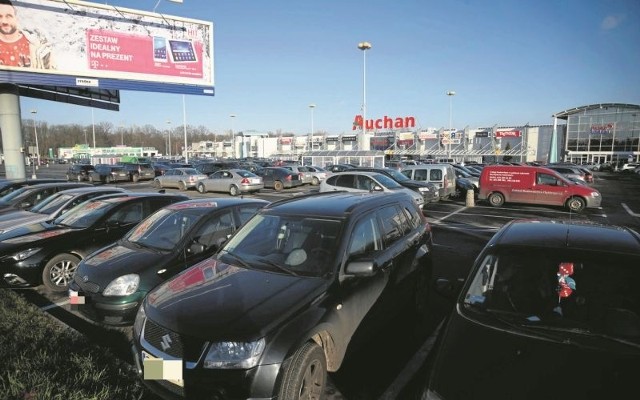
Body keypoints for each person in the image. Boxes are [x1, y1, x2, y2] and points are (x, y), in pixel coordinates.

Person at [0, 0, 55, 69]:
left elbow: (53, 73)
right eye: (0, 17)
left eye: (8, 16)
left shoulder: (37, 46)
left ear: (16, 18)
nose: (4, 21)